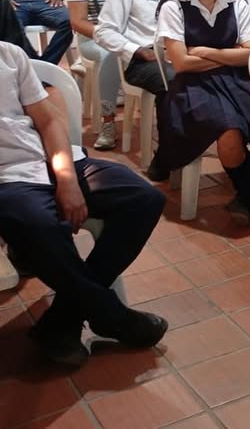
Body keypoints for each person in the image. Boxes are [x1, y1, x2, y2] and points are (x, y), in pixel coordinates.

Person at [0, 40, 168, 367]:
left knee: (143, 199)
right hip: (7, 178)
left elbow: (48, 121)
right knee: (41, 226)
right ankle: (110, 315)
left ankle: (63, 320)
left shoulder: (9, 54)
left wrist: (65, 178)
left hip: (51, 161)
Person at [154, 0, 250, 223]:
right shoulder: (174, 7)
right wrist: (230, 55)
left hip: (236, 81)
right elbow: (182, 63)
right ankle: (247, 193)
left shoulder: (237, 5)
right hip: (192, 86)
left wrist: (208, 52)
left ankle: (244, 193)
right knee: (228, 127)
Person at [94, 0, 180, 163]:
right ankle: (167, 156)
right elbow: (103, 31)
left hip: (182, 55)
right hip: (142, 60)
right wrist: (137, 50)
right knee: (172, 81)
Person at [67, 0, 130, 150]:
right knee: (110, 52)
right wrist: (108, 36)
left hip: (129, 37)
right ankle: (108, 121)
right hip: (93, 39)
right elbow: (77, 21)